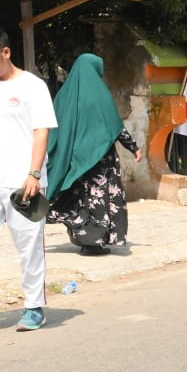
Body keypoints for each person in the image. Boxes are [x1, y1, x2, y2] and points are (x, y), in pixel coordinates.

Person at [44, 54, 142, 256]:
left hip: (75, 161)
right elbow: (115, 126)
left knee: (79, 197)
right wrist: (133, 147)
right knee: (98, 198)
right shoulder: (100, 95)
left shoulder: (64, 95)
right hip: (100, 160)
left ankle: (84, 237)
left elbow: (53, 128)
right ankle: (93, 242)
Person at [0, 29, 57, 332]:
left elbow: (41, 130)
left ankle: (34, 307)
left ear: (5, 53)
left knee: (29, 247)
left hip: (24, 181)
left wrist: (34, 173)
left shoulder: (33, 86)